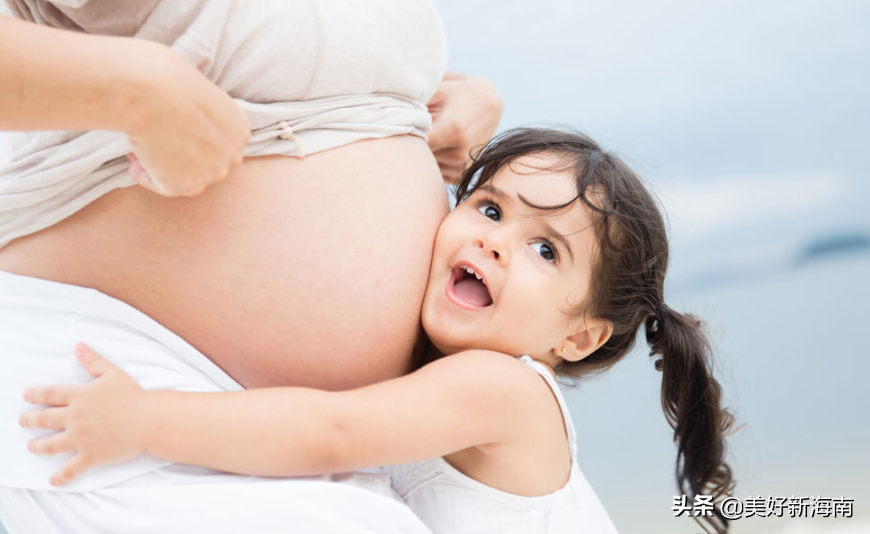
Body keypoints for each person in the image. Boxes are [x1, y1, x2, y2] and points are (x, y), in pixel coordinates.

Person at [20, 129, 737, 534]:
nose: (495, 242)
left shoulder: (501, 389)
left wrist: (147, 419)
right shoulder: (452, 374)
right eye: (489, 209)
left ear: (578, 338)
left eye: (546, 250)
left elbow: (332, 430)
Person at [0, 1, 501, 532]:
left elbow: (292, 55)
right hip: (124, 401)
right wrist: (135, 87)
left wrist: (455, 95)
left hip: (332, 447)